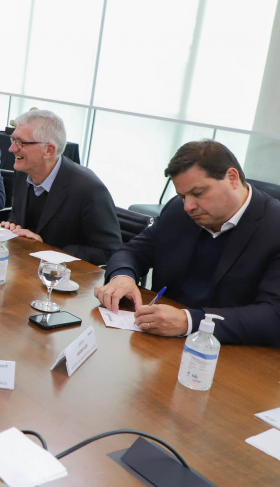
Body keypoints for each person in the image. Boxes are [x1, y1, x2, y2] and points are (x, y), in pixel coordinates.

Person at [96, 140, 280, 347]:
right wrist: (123, 277)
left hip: (230, 353)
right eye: (182, 196)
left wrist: (189, 321)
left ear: (232, 178)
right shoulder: (178, 211)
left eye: (198, 193)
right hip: (158, 340)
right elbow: (133, 251)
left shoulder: (274, 227)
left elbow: (274, 316)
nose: (188, 206)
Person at [0, 109, 121, 266]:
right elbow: (17, 214)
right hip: (24, 266)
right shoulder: (23, 172)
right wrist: (14, 226)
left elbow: (109, 251)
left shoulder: (88, 188)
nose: (12, 148)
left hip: (64, 279)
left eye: (21, 142)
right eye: (13, 140)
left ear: (49, 150)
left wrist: (48, 249)